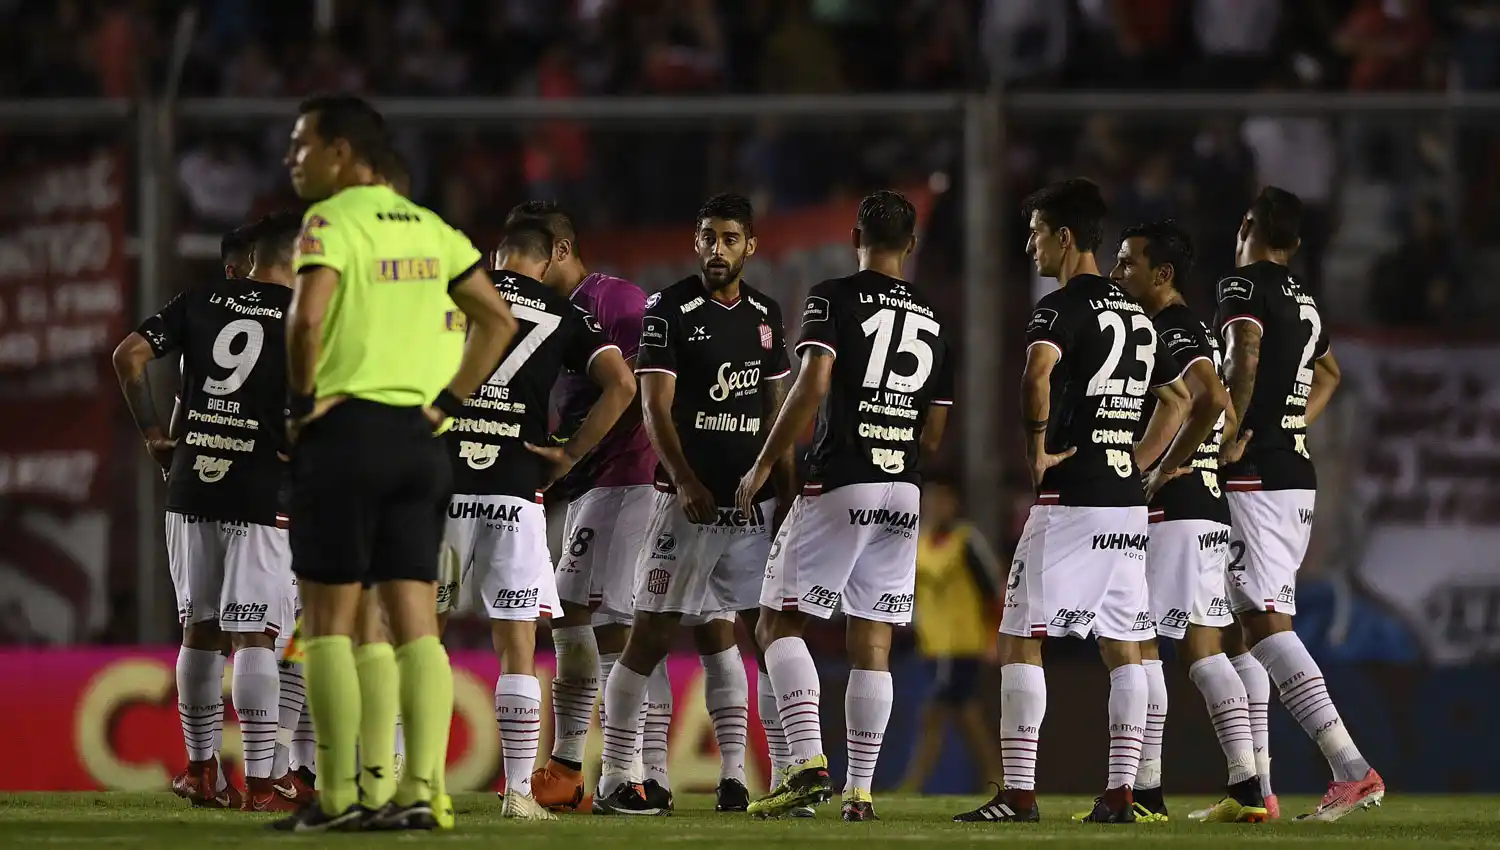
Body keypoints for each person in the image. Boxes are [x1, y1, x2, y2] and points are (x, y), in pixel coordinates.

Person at [274, 93, 518, 832]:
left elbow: (307, 318)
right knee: (413, 620)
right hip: (421, 441)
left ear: (344, 154)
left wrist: (299, 404)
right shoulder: (438, 230)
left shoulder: (331, 220)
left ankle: (345, 796)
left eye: (302, 144)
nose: (293, 159)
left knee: (331, 623)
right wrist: (446, 403)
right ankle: (421, 793)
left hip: (346, 430)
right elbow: (497, 319)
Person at [951, 179, 1190, 826]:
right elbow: (1178, 400)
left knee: (1019, 639)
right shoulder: (1137, 313)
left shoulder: (1059, 307)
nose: (1029, 245)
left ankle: (1020, 794)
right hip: (1123, 502)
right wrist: (1137, 462)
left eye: (1035, 233)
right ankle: (1120, 794)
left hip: (1073, 497)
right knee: (1126, 644)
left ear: (1063, 236)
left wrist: (1035, 446)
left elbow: (1036, 375)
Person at [739, 190, 954, 822]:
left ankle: (805, 763)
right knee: (874, 641)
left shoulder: (832, 295)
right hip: (903, 490)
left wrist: (761, 463)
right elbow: (935, 433)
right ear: (910, 244)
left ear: (856, 234)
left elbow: (813, 386)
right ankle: (859, 791)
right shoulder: (936, 319)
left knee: (777, 623)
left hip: (842, 480)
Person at [593, 194, 793, 816]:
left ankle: (765, 777)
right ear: (696, 241)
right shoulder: (669, 309)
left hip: (748, 511)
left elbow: (776, 412)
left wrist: (785, 493)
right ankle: (615, 780)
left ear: (750, 246)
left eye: (730, 238)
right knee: (649, 635)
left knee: (757, 633)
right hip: (688, 506)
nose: (716, 249)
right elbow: (654, 407)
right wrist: (682, 480)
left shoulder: (766, 314)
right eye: (708, 237)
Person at [436, 219, 635, 821]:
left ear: (496, 254)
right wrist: (569, 453)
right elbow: (622, 385)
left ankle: (406, 776)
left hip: (444, 484)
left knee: (421, 632)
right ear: (548, 261)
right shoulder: (562, 311)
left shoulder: (458, 290)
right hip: (517, 490)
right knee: (517, 643)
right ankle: (519, 791)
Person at [112, 211, 310, 813]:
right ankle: (260, 782)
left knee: (199, 629)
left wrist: (153, 434)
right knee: (255, 631)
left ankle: (201, 772)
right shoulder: (305, 317)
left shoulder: (198, 300)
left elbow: (129, 355)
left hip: (192, 481)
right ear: (296, 259)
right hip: (260, 489)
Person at [1212, 186, 1383, 822]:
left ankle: (1351, 767)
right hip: (1293, 473)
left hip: (1256, 475)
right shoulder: (1305, 300)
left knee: (1262, 621)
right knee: (1240, 623)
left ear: (1248, 224)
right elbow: (1331, 374)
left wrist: (1228, 436)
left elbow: (1244, 356)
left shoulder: (1242, 285)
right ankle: (1257, 791)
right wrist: (1294, 423)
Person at [503, 202, 666, 814]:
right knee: (569, 614)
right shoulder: (544, 312)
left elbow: (643, 386)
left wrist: (576, 453)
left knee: (622, 624)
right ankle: (569, 766)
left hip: (632, 476)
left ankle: (631, 772)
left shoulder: (618, 301)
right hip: (583, 484)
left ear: (561, 251)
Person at [1110, 219, 1267, 823]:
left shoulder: (1170, 326)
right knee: (1200, 649)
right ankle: (1245, 786)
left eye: (1128, 263)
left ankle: (1148, 792)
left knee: (1151, 647)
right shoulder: (1193, 325)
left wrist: (1154, 468)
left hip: (1175, 511)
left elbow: (1205, 399)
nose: (1120, 273)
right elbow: (1224, 409)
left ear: (1162, 273)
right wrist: (1212, 454)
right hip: (1204, 506)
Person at [898, 479, 1004, 796]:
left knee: (933, 711)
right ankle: (995, 779)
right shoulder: (917, 544)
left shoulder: (967, 541)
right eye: (930, 502)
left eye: (942, 501)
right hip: (932, 645)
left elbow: (993, 592)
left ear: (953, 504)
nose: (935, 508)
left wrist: (993, 638)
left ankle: (913, 783)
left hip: (962, 644)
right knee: (967, 715)